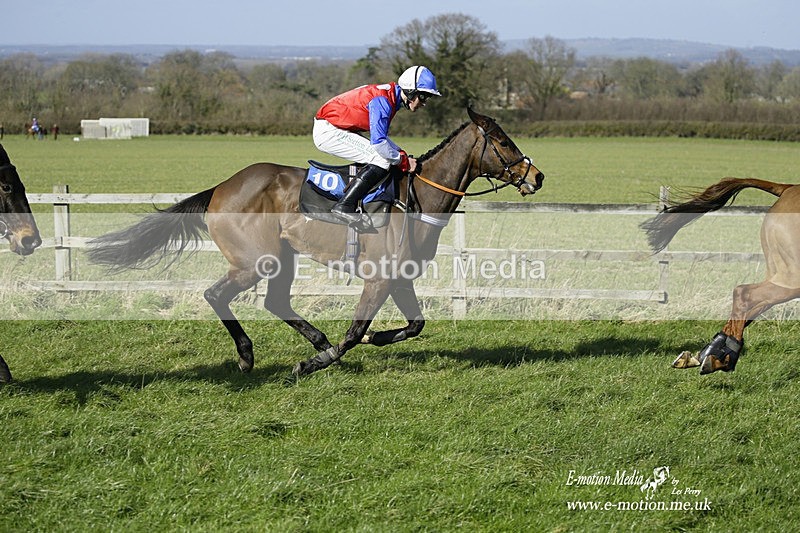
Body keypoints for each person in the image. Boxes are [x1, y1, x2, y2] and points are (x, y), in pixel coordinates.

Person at [313, 65, 441, 224]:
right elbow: (379, 144)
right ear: (410, 92)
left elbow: (381, 138)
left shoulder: (390, 97)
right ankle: (343, 206)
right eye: (423, 97)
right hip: (329, 131)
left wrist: (400, 153)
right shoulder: (384, 101)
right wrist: (403, 161)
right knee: (382, 159)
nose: (424, 103)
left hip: (337, 127)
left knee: (389, 155)